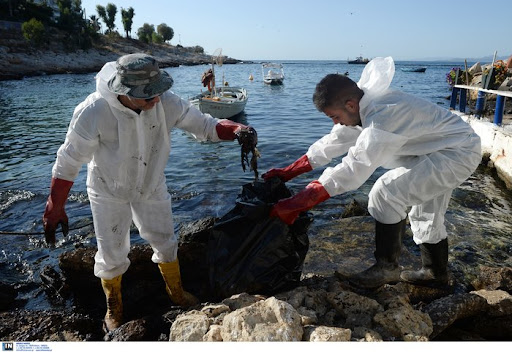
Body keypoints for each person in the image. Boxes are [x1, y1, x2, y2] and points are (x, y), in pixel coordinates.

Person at [42, 53, 256, 331]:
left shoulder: (165, 101)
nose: (155, 100)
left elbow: (206, 126)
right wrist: (55, 207)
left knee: (166, 240)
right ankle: (114, 307)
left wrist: (239, 129)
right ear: (123, 91)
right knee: (112, 252)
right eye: (147, 96)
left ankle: (176, 293)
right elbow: (67, 162)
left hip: (152, 185)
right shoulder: (93, 111)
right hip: (108, 190)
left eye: (157, 92)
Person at [263, 57, 481, 289]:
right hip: (438, 149)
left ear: (350, 105)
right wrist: (288, 172)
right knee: (425, 211)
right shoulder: (362, 107)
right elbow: (333, 142)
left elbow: (355, 168)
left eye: (334, 117)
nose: (336, 123)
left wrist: (298, 202)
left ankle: (387, 268)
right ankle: (436, 274)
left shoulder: (383, 116)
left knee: (386, 193)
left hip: (457, 153)